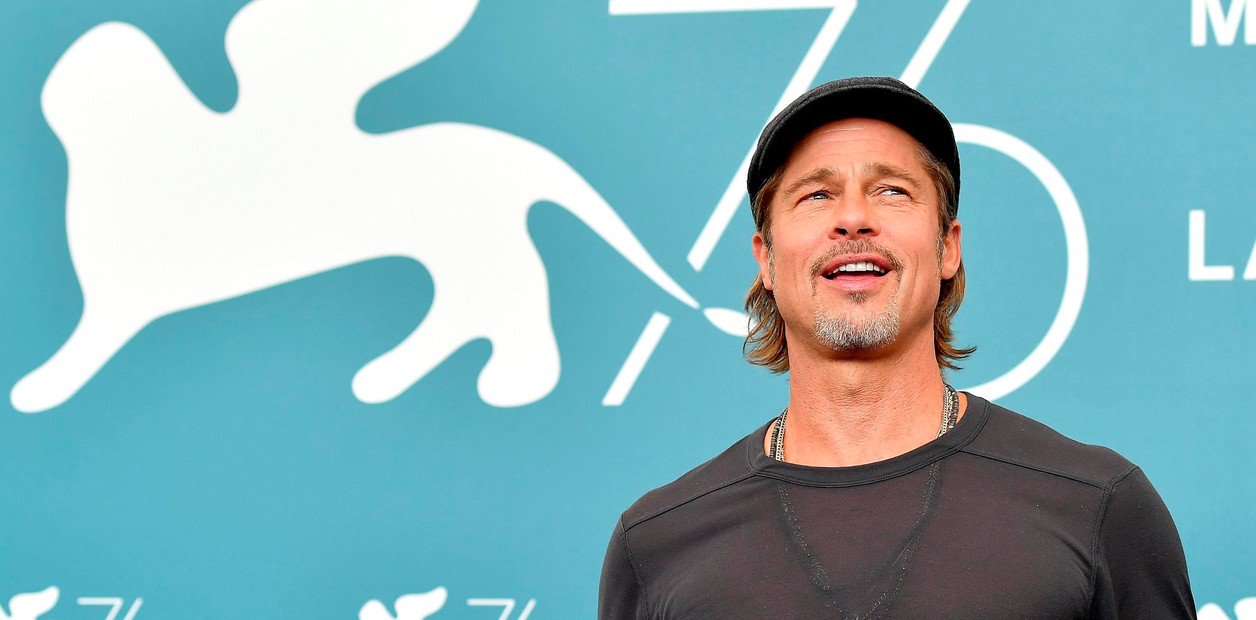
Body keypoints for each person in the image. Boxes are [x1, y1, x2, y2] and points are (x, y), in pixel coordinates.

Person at [597, 77, 1195, 618]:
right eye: (816, 195)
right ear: (767, 259)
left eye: (891, 191)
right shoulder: (657, 546)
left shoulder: (1096, 505)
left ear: (947, 247)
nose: (854, 218)